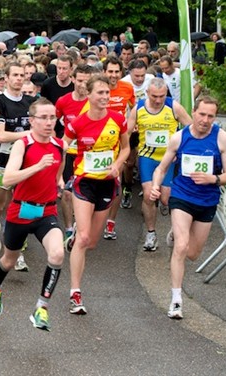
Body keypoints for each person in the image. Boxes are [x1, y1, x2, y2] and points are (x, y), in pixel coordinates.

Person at [0, 97, 67, 331]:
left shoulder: (60, 145)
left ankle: (41, 308)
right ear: (32, 121)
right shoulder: (24, 144)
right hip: (20, 210)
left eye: (52, 117)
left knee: (58, 255)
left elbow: (58, 168)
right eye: (43, 118)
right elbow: (8, 179)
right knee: (9, 261)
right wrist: (37, 167)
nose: (49, 122)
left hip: (46, 211)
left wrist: (60, 181)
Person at [149, 96, 226, 319]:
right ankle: (176, 300)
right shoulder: (179, 138)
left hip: (207, 201)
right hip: (182, 196)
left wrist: (212, 178)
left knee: (193, 254)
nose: (205, 120)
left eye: (210, 116)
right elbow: (162, 168)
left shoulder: (222, 139)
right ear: (193, 112)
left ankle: (175, 235)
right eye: (202, 114)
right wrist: (156, 186)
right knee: (182, 246)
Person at [63, 75, 130, 315]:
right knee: (83, 238)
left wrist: (119, 164)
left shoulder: (118, 119)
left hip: (107, 184)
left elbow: (126, 148)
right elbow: (62, 146)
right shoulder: (78, 123)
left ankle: (75, 243)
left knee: (91, 241)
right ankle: (75, 293)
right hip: (84, 183)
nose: (104, 97)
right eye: (99, 93)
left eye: (106, 93)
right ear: (89, 95)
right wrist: (58, 176)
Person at [128, 78, 192, 251]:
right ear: (147, 93)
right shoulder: (138, 108)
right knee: (149, 195)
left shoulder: (174, 107)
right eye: (154, 96)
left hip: (168, 159)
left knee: (165, 198)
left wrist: (181, 151)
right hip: (147, 157)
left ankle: (174, 224)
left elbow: (191, 130)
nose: (158, 100)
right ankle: (151, 234)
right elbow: (126, 134)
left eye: (162, 96)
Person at [0, 62, 36, 274]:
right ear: (6, 78)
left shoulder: (30, 102)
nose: (18, 78)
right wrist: (28, 135)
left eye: (22, 75)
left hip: (24, 162)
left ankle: (17, 252)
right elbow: (0, 135)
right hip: (1, 161)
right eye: (14, 75)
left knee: (18, 206)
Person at [54, 64, 94, 251]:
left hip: (91, 154)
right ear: (73, 79)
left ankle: (82, 226)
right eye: (79, 81)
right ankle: (69, 229)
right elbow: (53, 123)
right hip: (70, 153)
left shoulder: (95, 101)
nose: (83, 85)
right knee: (68, 193)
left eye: (87, 81)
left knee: (86, 194)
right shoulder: (63, 101)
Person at [102, 56, 135, 239]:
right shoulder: (99, 88)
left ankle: (111, 223)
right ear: (104, 72)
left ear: (121, 73)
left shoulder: (127, 88)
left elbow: (134, 110)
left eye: (117, 72)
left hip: (119, 142)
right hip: (99, 141)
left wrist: (129, 128)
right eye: (110, 71)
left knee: (116, 181)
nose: (113, 75)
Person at [40, 55, 75, 138]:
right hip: (52, 125)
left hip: (71, 124)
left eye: (64, 68)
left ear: (71, 69)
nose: (61, 71)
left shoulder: (75, 85)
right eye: (59, 68)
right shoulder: (47, 84)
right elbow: (43, 105)